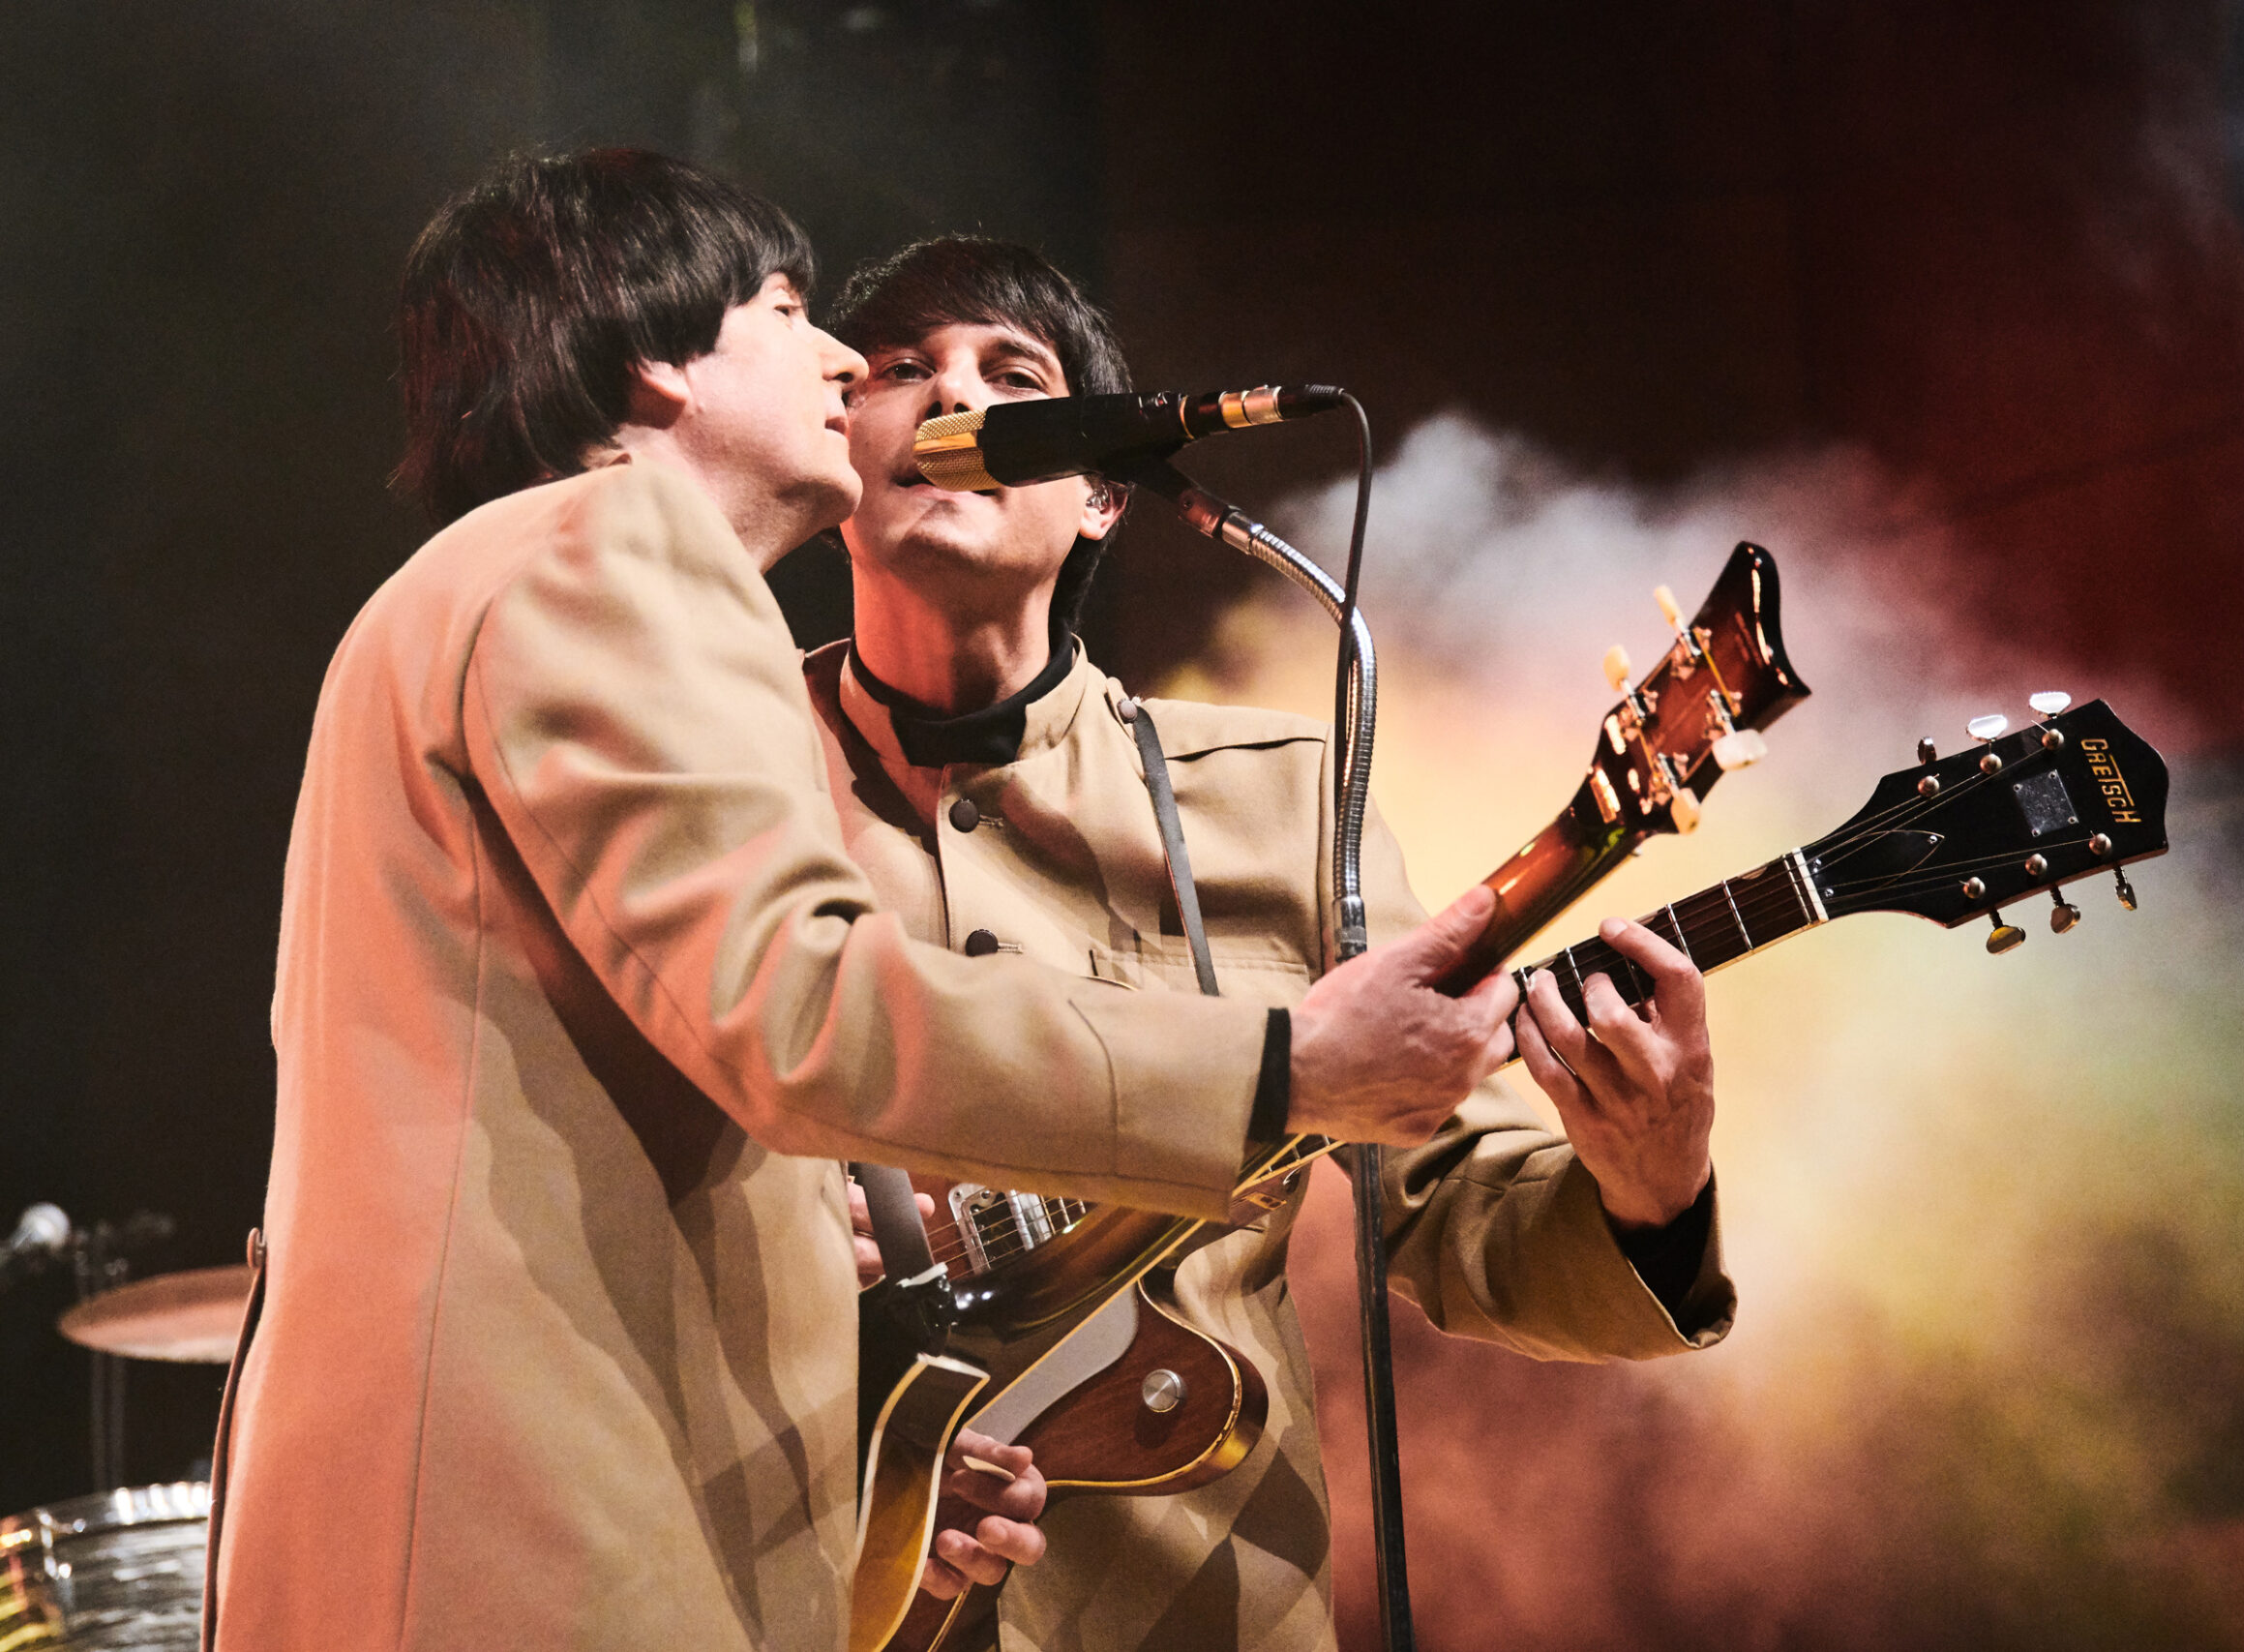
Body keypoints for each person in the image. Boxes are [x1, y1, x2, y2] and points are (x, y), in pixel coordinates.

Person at [211, 151, 1522, 1652]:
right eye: (788, 312)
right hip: (542, 1554)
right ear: (656, 362)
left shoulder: (466, 587)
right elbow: (805, 1013)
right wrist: (1286, 1065)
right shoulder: (621, 546)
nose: (842, 362)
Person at [810, 236, 1733, 1651]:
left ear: (1102, 495)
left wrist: (1651, 1189)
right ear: (834, 453)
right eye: (901, 370)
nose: (957, 402)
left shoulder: (1282, 795)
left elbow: (1451, 1205)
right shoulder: (714, 777)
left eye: (1016, 379)